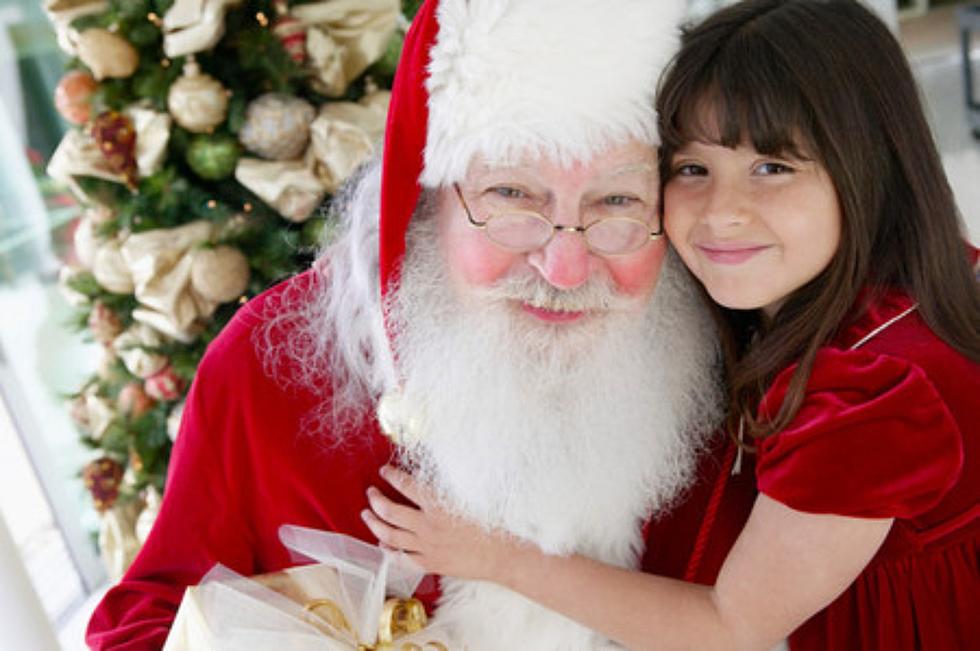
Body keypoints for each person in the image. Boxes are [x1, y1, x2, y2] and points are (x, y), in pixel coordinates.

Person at [86, 1, 761, 649]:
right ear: (424, 199)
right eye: (512, 195)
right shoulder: (270, 365)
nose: (564, 265)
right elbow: (150, 620)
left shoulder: (732, 355)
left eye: (618, 201)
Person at [363, 0, 980, 649]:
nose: (722, 212)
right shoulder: (916, 285)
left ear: (870, 168)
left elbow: (729, 624)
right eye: (692, 169)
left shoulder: (869, 395)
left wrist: (498, 557)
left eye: (773, 168)